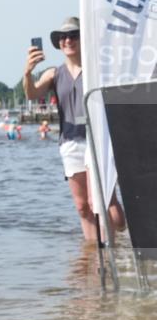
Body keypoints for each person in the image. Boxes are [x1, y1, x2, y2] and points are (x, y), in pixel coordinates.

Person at [23, 16, 126, 241]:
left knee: (100, 201)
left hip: (96, 139)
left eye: (73, 35)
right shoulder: (53, 73)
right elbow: (31, 94)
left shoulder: (97, 69)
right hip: (70, 141)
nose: (67, 40)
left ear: (83, 39)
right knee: (82, 207)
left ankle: (117, 243)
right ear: (58, 43)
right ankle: (92, 256)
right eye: (63, 37)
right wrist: (28, 73)